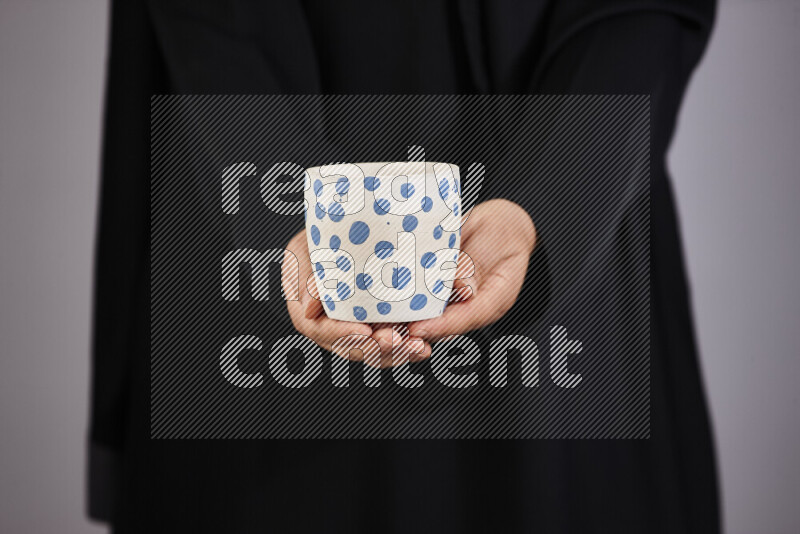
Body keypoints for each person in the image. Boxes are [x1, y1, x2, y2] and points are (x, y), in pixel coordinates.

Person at [90, 1, 719, 531]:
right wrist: (284, 197)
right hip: (250, 229)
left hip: (573, 241)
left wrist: (549, 203)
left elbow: (640, 12)